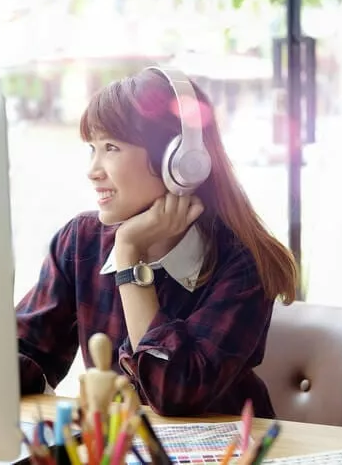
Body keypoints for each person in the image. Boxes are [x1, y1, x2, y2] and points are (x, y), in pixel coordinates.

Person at [15, 67, 298, 418]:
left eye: (111, 148)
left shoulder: (242, 263)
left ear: (180, 160)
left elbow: (173, 393)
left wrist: (129, 256)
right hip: (121, 450)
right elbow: (26, 354)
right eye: (92, 149)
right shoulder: (80, 242)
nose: (93, 169)